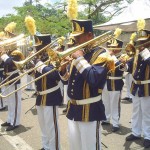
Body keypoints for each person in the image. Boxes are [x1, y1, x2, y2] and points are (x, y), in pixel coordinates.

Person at [60, 19, 112, 150]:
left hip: (90, 111)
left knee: (89, 147)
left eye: (78, 37)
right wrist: (62, 70)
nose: (75, 40)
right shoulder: (79, 54)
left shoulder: (101, 54)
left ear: (89, 35)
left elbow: (94, 79)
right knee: (75, 146)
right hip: (73, 110)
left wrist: (79, 59)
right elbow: (68, 81)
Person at [123, 20, 150, 148]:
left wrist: (145, 53)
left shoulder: (147, 54)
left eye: (143, 42)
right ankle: (136, 132)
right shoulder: (137, 54)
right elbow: (131, 66)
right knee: (135, 111)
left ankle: (148, 135)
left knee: (146, 112)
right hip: (136, 86)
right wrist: (124, 65)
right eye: (140, 42)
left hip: (147, 87)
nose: (140, 44)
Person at [34, 34, 63, 150]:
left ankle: (55, 148)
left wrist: (39, 65)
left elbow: (55, 75)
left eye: (38, 47)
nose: (36, 49)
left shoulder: (54, 56)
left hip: (51, 96)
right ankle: (46, 146)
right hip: (40, 96)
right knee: (43, 126)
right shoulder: (39, 58)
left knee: (52, 127)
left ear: (46, 46)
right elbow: (36, 76)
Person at [101, 33, 124, 132]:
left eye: (114, 47)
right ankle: (106, 118)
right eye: (110, 47)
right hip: (106, 82)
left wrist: (112, 57)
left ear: (119, 48)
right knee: (105, 102)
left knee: (114, 103)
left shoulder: (122, 57)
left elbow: (122, 69)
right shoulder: (107, 56)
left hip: (116, 83)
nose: (112, 49)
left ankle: (115, 122)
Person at [0, 47, 23, 131]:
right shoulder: (8, 54)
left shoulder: (16, 53)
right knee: (10, 102)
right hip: (8, 80)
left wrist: (3, 54)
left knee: (15, 102)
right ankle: (10, 120)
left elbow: (10, 62)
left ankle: (15, 122)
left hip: (14, 81)